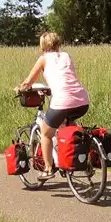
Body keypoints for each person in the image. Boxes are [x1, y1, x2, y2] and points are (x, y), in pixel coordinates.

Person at [16, 32, 90, 181]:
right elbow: (66, 77)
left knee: (45, 133)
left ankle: (48, 169)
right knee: (70, 129)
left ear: (42, 45)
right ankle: (83, 161)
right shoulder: (66, 56)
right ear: (57, 43)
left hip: (63, 101)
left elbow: (28, 82)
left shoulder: (43, 60)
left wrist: (20, 88)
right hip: (82, 101)